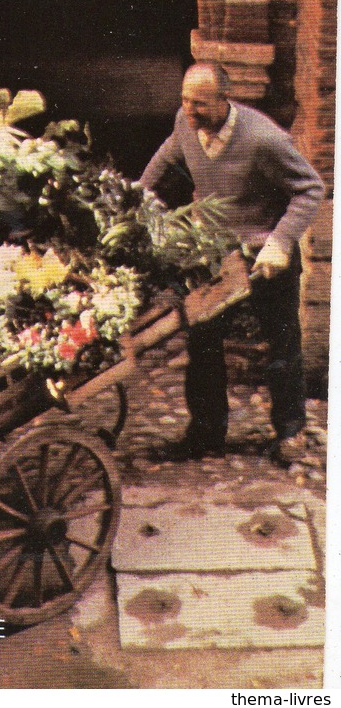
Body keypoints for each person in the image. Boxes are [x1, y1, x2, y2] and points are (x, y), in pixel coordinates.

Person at [139, 61, 325, 464]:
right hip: (214, 254)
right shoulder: (186, 122)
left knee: (280, 345)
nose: (190, 111)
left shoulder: (264, 139)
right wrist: (133, 198)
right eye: (185, 101)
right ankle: (206, 433)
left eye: (201, 104)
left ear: (225, 100)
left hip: (265, 254)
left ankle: (290, 431)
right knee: (203, 343)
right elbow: (167, 156)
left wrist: (280, 241)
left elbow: (311, 188)